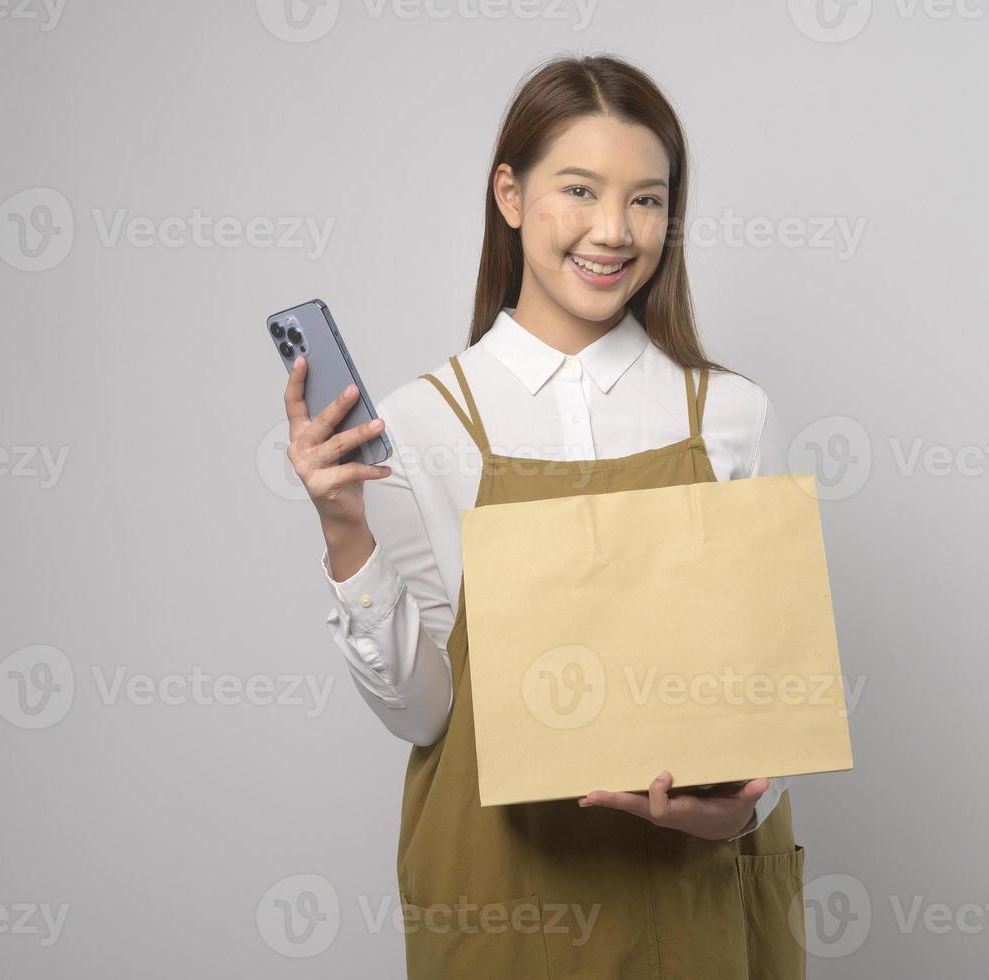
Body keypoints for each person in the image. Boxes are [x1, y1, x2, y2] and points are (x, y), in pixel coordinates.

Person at [282, 53, 805, 979]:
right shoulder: (419, 422)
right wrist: (346, 536)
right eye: (580, 190)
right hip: (504, 899)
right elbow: (423, 714)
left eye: (646, 199)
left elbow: (767, 698)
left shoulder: (730, 416)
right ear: (509, 196)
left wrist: (743, 809)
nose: (614, 230)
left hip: (691, 906)